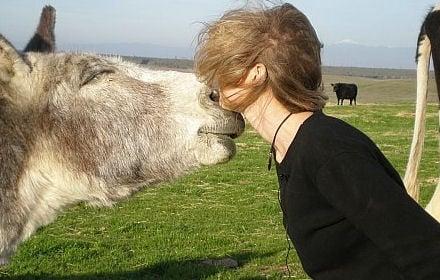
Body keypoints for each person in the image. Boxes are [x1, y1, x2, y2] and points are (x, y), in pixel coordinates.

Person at [194, 3, 440, 279]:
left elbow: (429, 255)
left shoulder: (328, 151)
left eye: (222, 66)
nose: (214, 82)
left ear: (256, 74)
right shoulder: (291, 146)